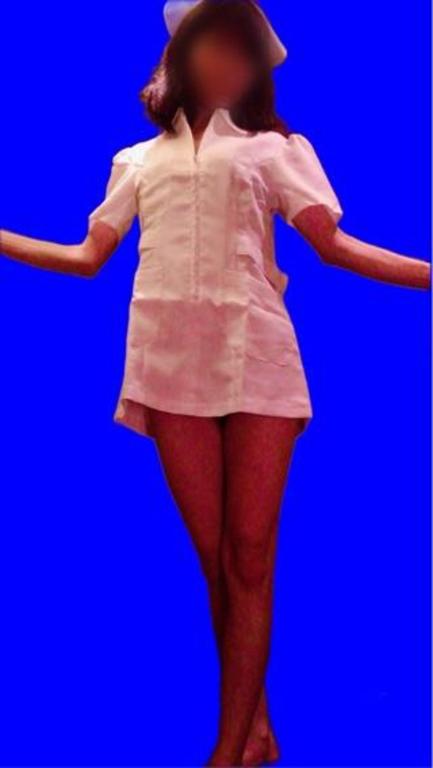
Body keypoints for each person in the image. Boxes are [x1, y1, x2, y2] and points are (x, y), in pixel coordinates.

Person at [0, 1, 430, 765]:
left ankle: (226, 754)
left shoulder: (274, 149)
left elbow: (333, 245)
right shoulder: (136, 161)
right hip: (167, 362)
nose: (230, 63)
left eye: (244, 52)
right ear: (183, 56)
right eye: (217, 48)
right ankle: (255, 732)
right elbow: (86, 257)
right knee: (215, 561)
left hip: (256, 355)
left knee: (249, 556)